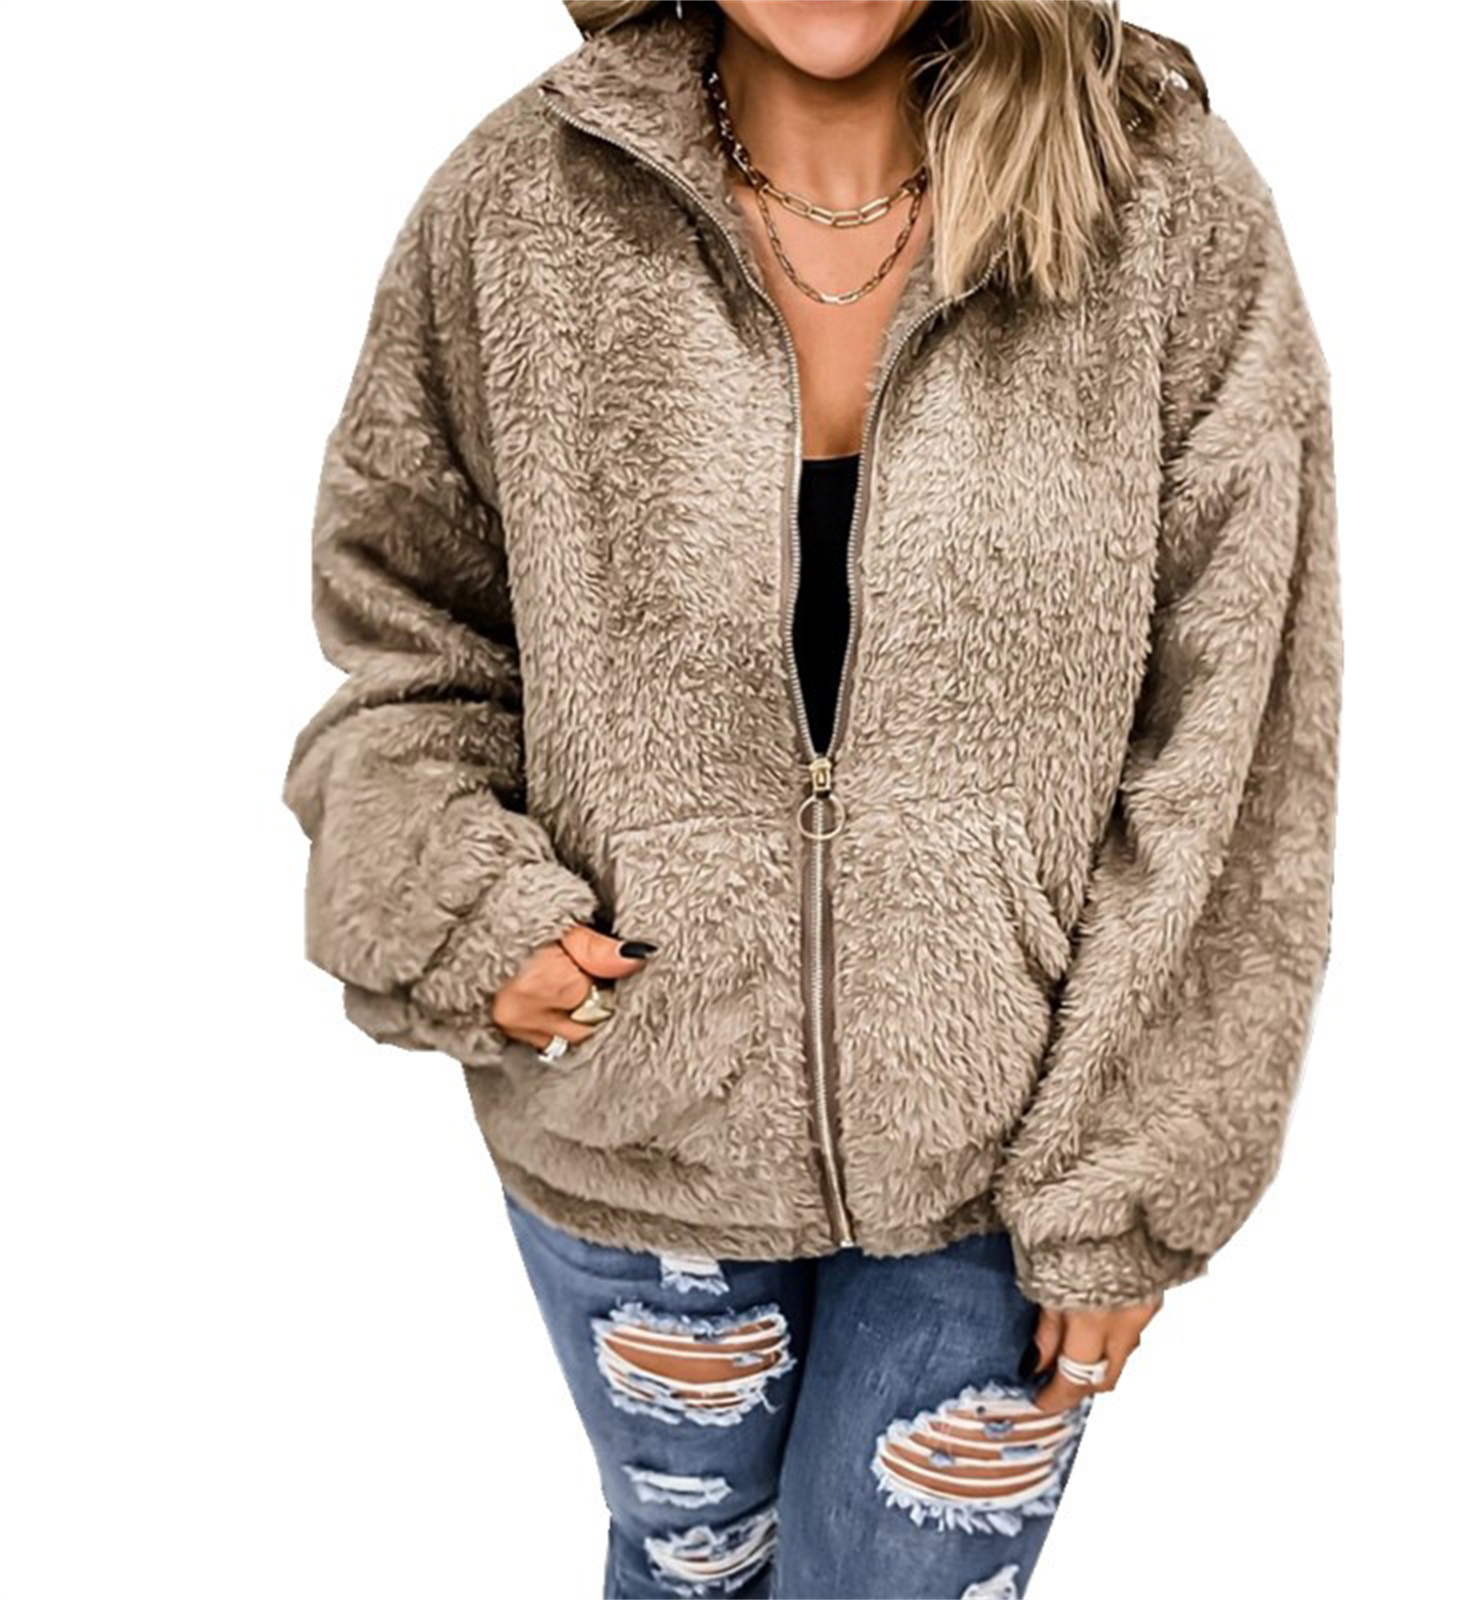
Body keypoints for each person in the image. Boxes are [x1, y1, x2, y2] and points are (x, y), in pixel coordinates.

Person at [280, 2, 1341, 1595]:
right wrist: (463, 911)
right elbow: (409, 638)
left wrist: (1129, 1180)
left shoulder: (1160, 201)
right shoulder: (521, 204)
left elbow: (1243, 740)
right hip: (632, 1131)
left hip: (1006, 1153)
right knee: (686, 1576)